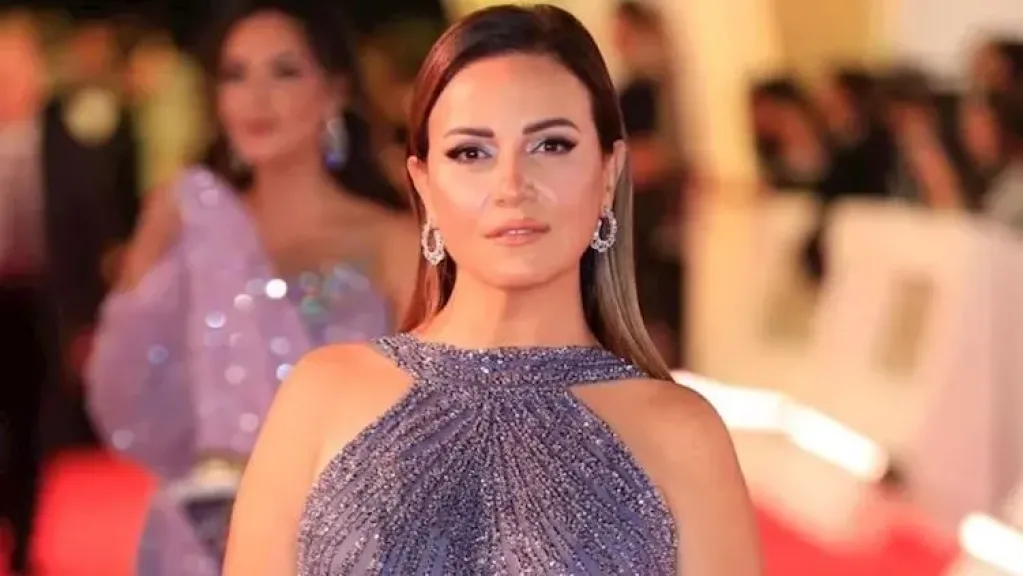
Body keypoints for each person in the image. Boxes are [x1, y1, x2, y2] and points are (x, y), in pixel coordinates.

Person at [225, 5, 760, 575]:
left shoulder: (681, 434)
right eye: (471, 153)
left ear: (609, 173)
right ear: (424, 186)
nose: (512, 186)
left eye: (551, 145)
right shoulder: (321, 395)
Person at [84, 0, 417, 573]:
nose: (256, 98)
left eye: (284, 72)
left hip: (346, 540)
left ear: (335, 90)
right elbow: (122, 385)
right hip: (198, 536)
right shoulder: (189, 220)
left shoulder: (394, 242)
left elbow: (430, 416)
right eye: (236, 75)